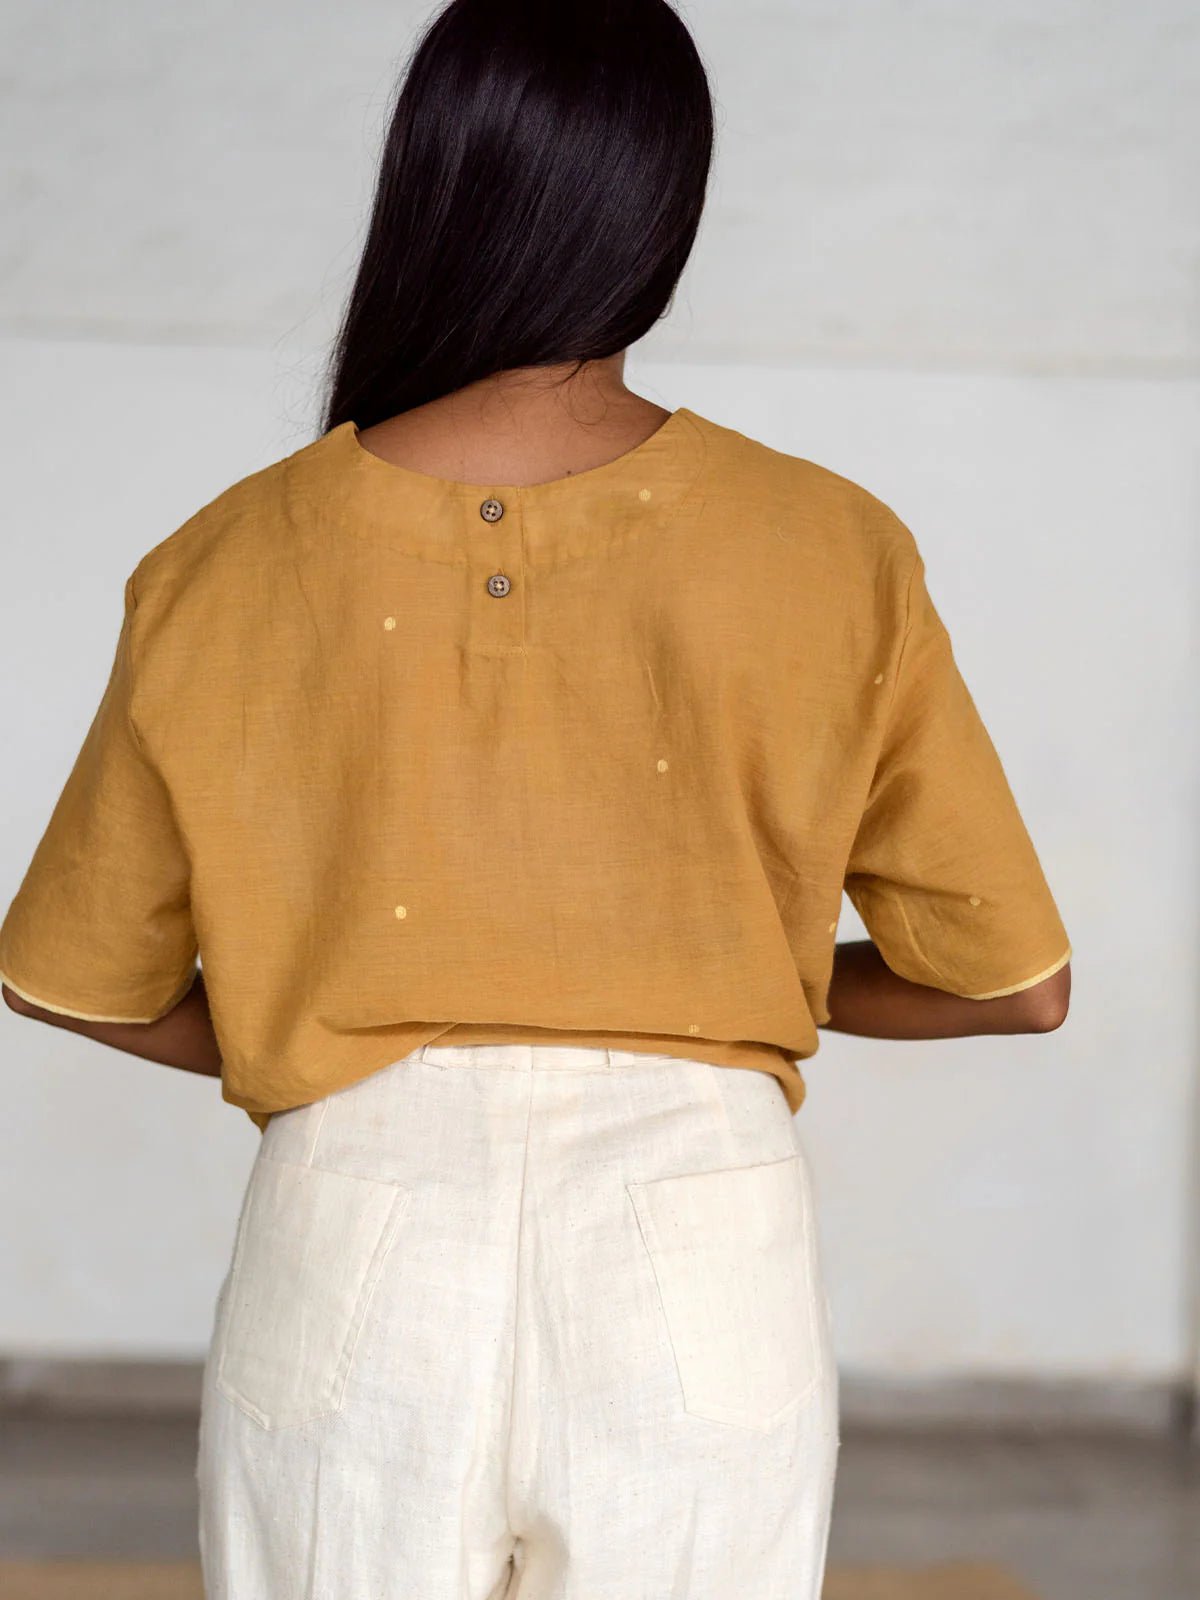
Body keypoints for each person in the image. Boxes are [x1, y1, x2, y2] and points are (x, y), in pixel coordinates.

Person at [0, 1, 1071, 1596]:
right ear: (663, 210)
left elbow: (73, 976)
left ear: (429, 187)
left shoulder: (224, 557)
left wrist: (326, 1009)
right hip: (700, 1233)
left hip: (353, 1213)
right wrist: (744, 973)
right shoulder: (830, 544)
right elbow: (1013, 983)